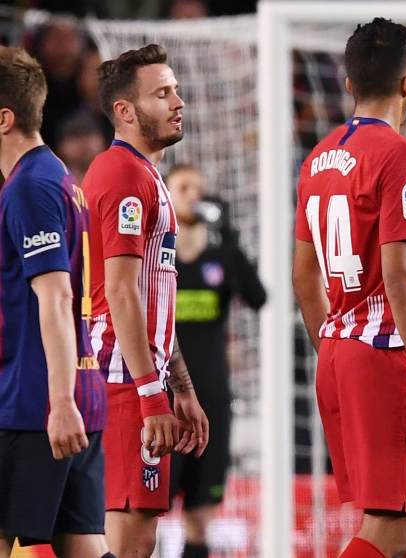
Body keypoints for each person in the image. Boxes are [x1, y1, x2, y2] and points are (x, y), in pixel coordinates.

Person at [291, 19, 406, 558]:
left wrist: (335, 345)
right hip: (382, 356)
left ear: (349, 84)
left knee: (403, 528)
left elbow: (303, 275)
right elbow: (400, 273)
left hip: (337, 350)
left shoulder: (317, 159)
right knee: (396, 529)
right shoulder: (400, 155)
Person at [82, 43, 209, 558]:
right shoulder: (124, 175)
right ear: (125, 111)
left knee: (132, 541)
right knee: (130, 542)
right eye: (163, 93)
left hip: (133, 376)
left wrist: (181, 387)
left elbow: (151, 301)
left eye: (176, 89)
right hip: (119, 380)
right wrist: (151, 394)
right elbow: (120, 292)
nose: (178, 101)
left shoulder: (145, 174)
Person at [0, 45, 114, 558]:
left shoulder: (30, 188)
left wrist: (60, 401)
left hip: (35, 404)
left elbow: (57, 295)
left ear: (4, 119)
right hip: (72, 397)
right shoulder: (62, 180)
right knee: (84, 548)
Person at [166, 165, 267, 558]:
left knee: (199, 517)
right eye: (184, 187)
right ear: (168, 197)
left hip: (211, 402)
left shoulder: (220, 258)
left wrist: (229, 239)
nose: (194, 195)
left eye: (199, 189)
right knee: (145, 516)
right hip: (165, 404)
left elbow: (258, 298)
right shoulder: (159, 261)